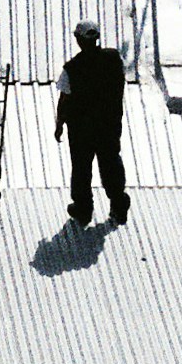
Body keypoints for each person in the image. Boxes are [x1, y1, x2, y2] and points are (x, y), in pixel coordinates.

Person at [54, 20, 129, 226]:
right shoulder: (114, 58)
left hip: (81, 130)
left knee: (81, 168)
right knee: (111, 163)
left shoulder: (72, 68)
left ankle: (83, 209)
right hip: (109, 125)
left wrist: (59, 124)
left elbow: (65, 99)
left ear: (78, 40)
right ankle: (118, 205)